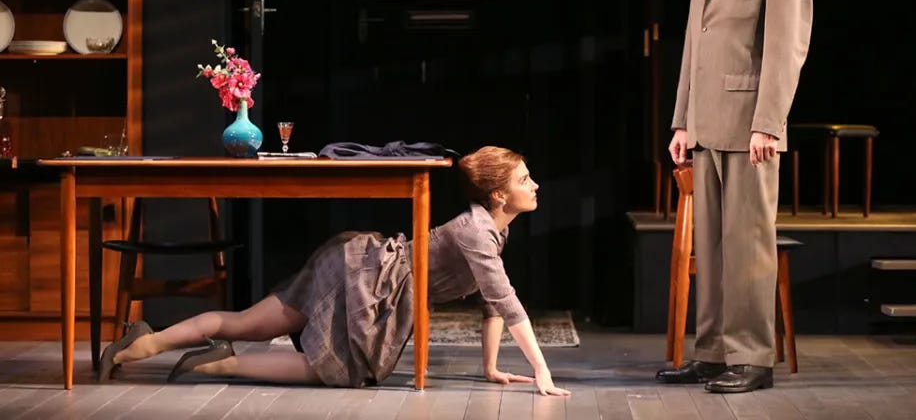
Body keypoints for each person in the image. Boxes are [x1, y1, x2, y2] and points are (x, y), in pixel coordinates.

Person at [99, 146, 571, 397]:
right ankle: (214, 362)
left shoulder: (492, 231)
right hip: (371, 282)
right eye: (524, 179)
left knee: (246, 322)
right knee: (337, 369)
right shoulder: (477, 232)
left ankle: (141, 344)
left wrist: (490, 368)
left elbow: (493, 305)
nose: (534, 185)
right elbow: (508, 303)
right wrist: (542, 371)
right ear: (498, 195)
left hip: (359, 263)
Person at [655, 0, 812, 394]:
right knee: (714, 247)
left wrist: (769, 122)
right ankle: (714, 352)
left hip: (751, 127)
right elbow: (694, 45)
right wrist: (682, 120)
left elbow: (787, 46)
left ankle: (751, 358)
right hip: (705, 123)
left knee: (747, 245)